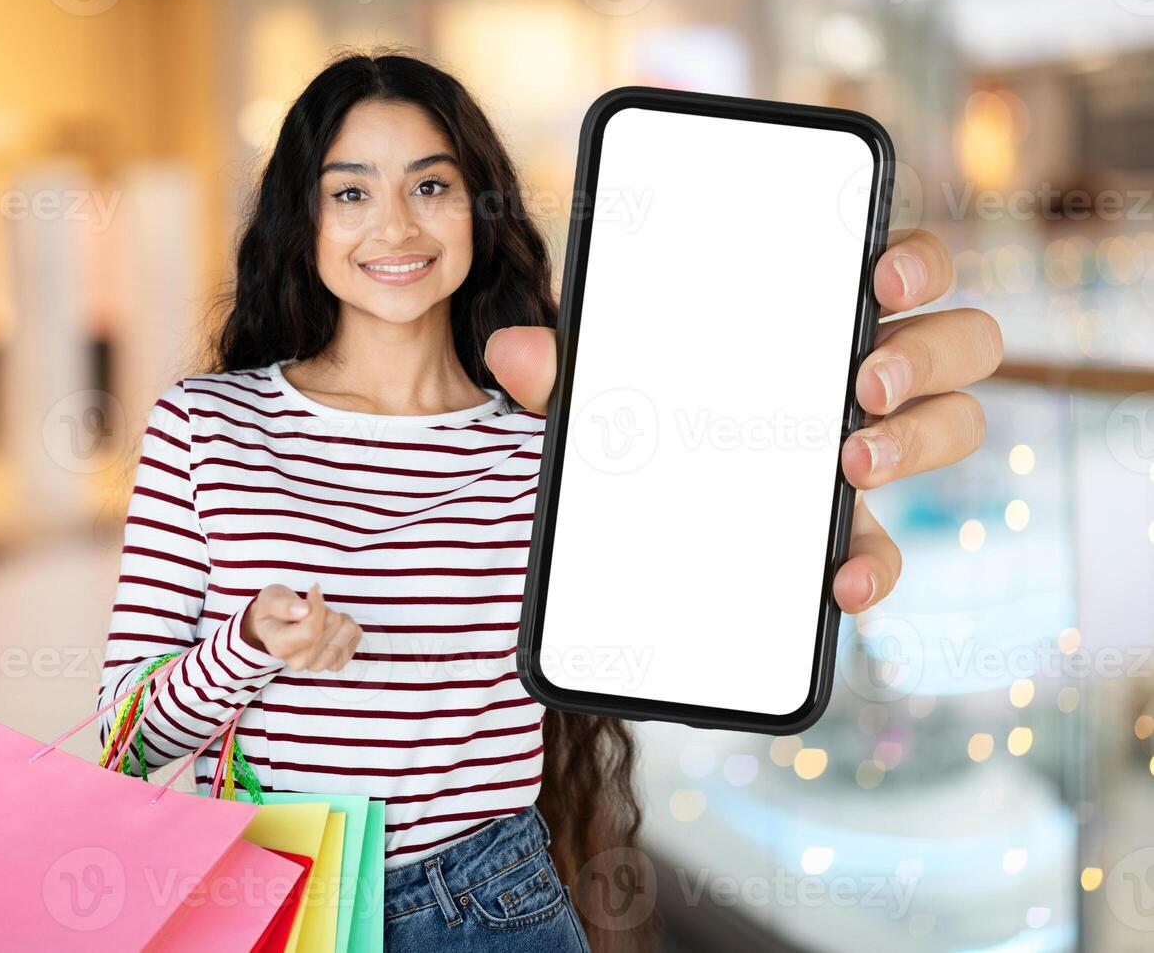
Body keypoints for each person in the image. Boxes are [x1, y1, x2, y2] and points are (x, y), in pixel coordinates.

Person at [96, 47, 1001, 953]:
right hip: (273, 901)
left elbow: (687, 626)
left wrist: (785, 491)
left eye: (432, 187)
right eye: (350, 193)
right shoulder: (206, 425)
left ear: (480, 210)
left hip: (492, 902)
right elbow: (121, 744)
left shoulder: (555, 442)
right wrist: (248, 644)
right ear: (303, 218)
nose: (395, 227)